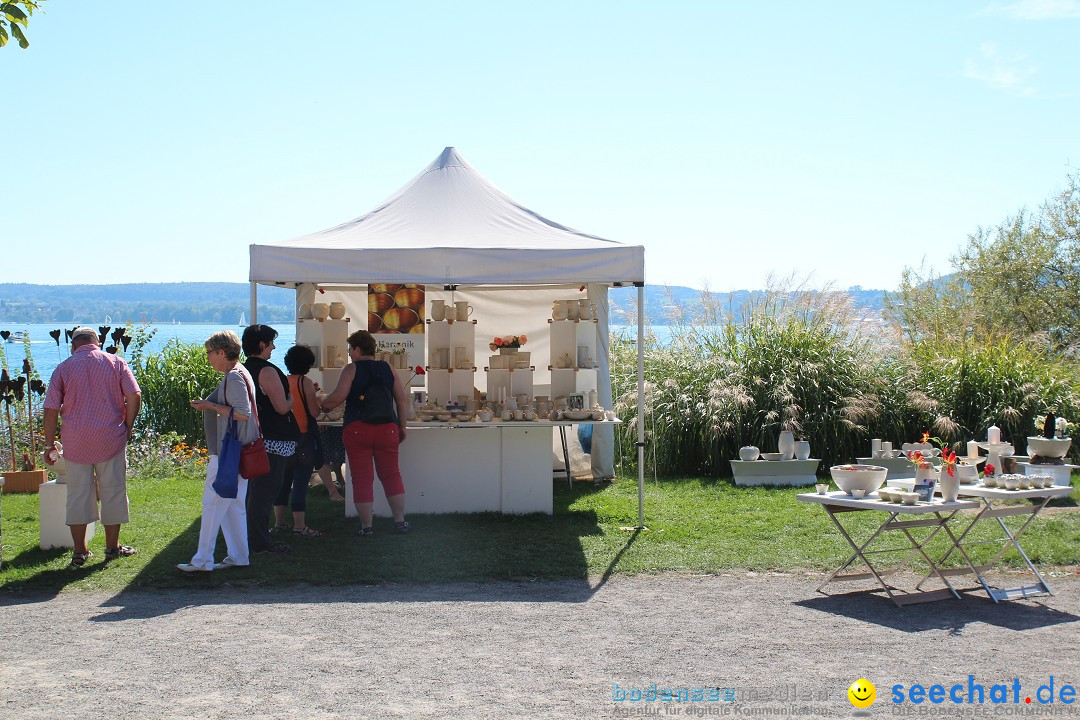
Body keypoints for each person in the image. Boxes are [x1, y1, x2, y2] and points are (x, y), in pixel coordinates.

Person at [42, 326, 142, 566]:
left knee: (78, 495)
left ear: (74, 345)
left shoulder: (63, 368)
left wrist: (48, 444)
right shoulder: (116, 362)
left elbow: (51, 408)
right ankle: (112, 547)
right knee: (113, 491)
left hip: (76, 442)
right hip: (111, 438)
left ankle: (80, 551)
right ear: (97, 343)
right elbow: (134, 396)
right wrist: (127, 427)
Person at [177, 330, 257, 572]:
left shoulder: (233, 377)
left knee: (212, 503)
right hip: (238, 449)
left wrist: (210, 405)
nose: (209, 358)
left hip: (229, 452)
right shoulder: (240, 372)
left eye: (210, 353)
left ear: (222, 352)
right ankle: (238, 556)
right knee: (232, 505)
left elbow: (244, 413)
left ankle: (202, 560)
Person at [321, 330, 410, 536]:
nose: (350, 354)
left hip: (357, 429)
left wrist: (323, 405)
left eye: (350, 350)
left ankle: (367, 527)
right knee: (391, 475)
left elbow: (338, 397)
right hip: (387, 428)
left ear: (358, 349)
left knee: (362, 478)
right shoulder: (388, 367)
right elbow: (401, 400)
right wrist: (402, 427)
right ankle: (400, 521)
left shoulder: (351, 369)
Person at [241, 324, 299, 554]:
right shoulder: (266, 371)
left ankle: (252, 537)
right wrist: (291, 397)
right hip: (272, 440)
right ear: (262, 344)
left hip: (253, 437)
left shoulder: (242, 369)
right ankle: (259, 541)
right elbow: (282, 407)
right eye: (271, 342)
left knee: (253, 492)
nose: (274, 346)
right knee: (264, 493)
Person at [273, 344, 325, 536]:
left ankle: (279, 522)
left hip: (284, 438)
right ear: (308, 364)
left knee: (283, 482)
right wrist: (318, 398)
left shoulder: (283, 381)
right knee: (301, 482)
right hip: (303, 438)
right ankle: (299, 525)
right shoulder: (306, 382)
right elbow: (314, 412)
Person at [315, 425, 347, 502]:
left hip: (340, 421)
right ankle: (332, 492)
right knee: (323, 456)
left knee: (342, 451)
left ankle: (339, 478)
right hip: (322, 420)